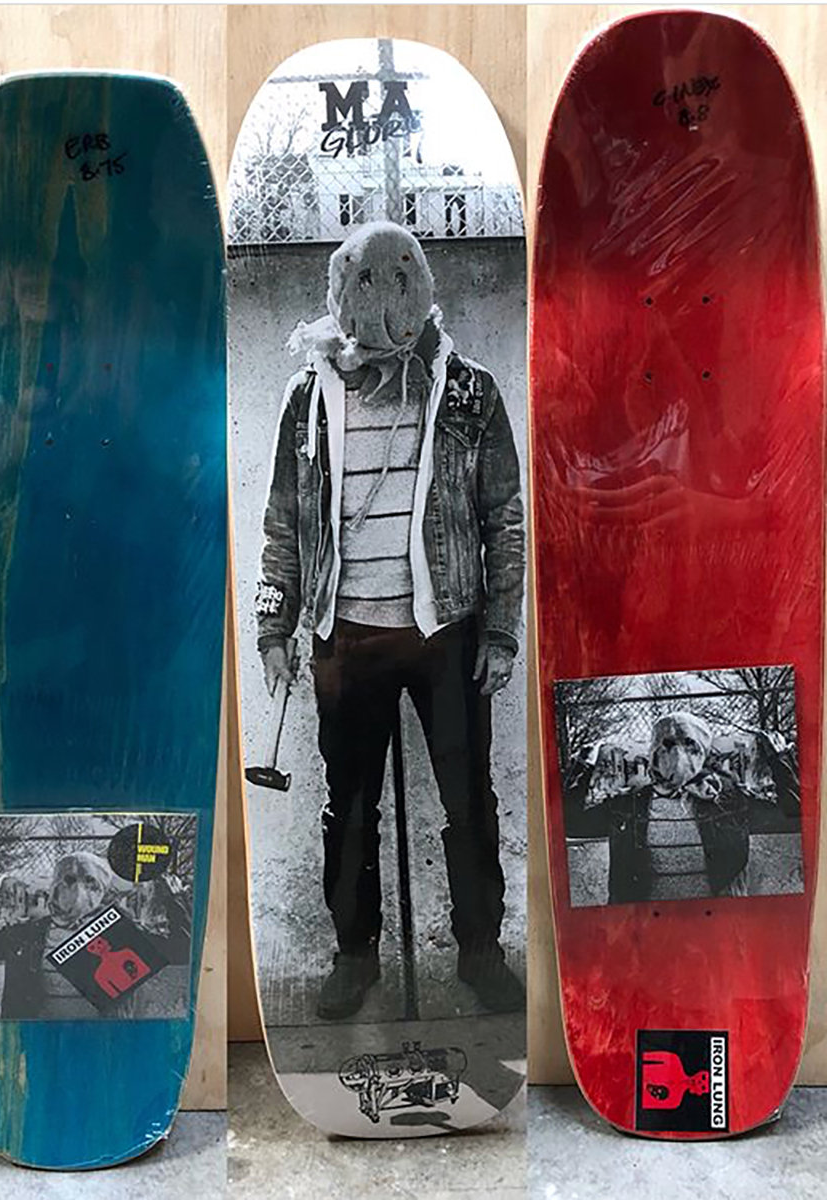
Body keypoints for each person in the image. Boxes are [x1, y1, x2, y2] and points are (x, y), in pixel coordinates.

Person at [255, 221, 525, 1018]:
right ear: (341, 293)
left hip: (448, 632)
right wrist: (274, 626)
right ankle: (354, 955)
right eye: (366, 282)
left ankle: (480, 952)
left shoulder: (468, 391)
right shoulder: (309, 396)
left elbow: (504, 516)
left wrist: (501, 630)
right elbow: (283, 519)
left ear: (424, 283)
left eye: (403, 278)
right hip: (346, 635)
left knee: (469, 801)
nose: (385, 296)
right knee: (348, 806)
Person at [563, 712, 798, 903]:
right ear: (654, 751)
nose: (678, 754)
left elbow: (794, 815)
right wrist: (582, 767)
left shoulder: (730, 801)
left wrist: (780, 759)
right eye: (667, 744)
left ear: (703, 752)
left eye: (689, 744)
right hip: (644, 927)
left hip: (718, 924)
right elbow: (569, 824)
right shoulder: (626, 805)